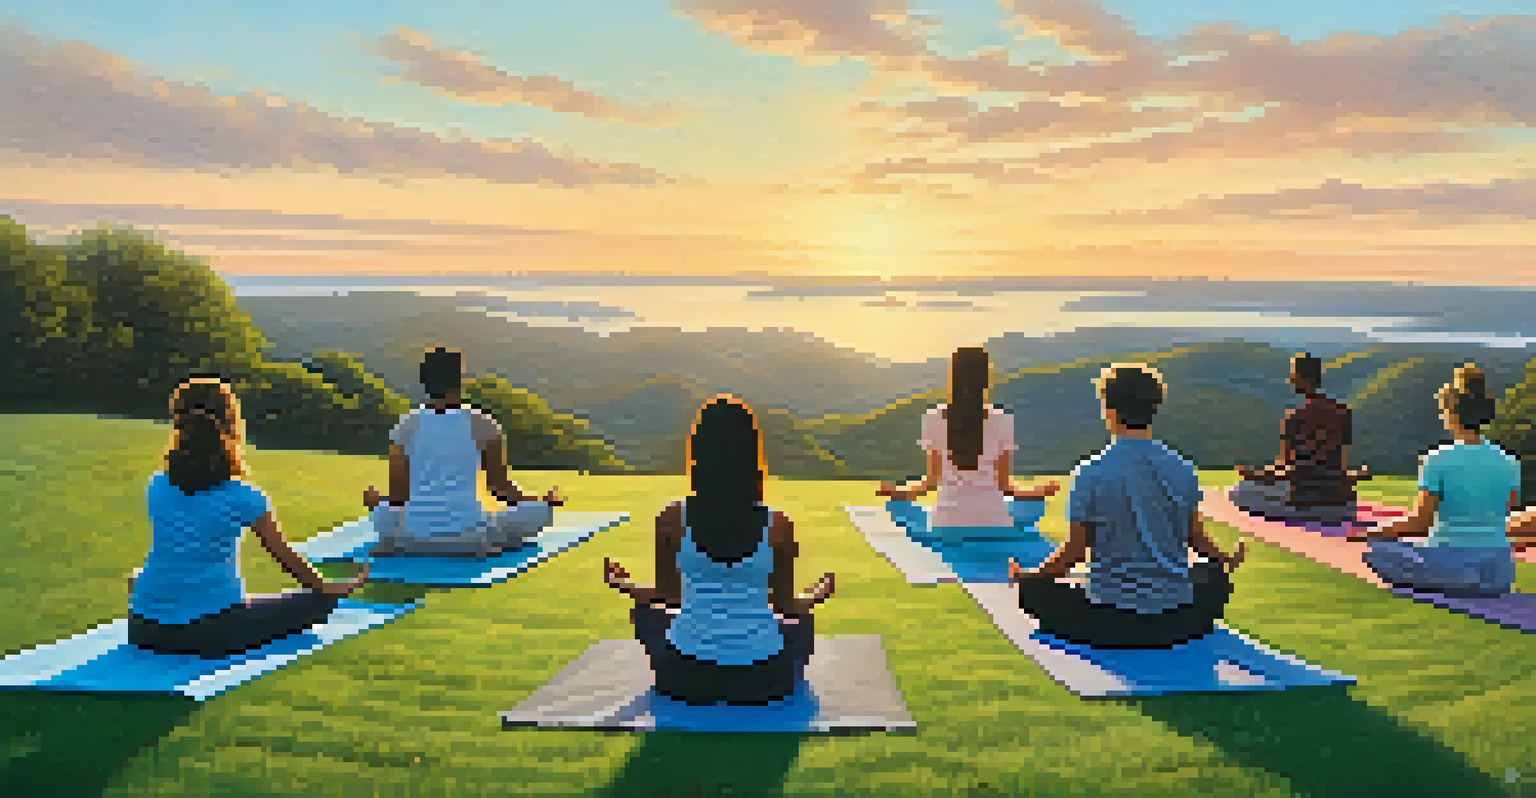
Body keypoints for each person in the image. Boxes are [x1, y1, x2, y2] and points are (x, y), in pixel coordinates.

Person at [604, 395, 836, 705]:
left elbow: (669, 596)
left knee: (645, 611)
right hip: (763, 679)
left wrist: (624, 584)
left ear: (698, 453)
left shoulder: (671, 519)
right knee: (802, 623)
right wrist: (818, 592)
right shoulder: (779, 525)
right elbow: (787, 607)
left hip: (684, 677)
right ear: (752, 455)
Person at [128, 377, 369, 658]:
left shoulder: (157, 484)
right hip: (210, 632)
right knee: (318, 603)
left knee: (142, 578)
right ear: (231, 425)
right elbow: (285, 557)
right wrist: (330, 589)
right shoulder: (243, 495)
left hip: (143, 629)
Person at [1010, 364, 1247, 648]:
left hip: (1109, 618)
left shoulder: (1090, 472)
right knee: (1214, 577)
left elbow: (1073, 554)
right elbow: (1196, 539)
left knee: (1034, 592)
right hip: (1176, 618)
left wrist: (1029, 576)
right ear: (1154, 408)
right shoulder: (1183, 469)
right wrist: (1225, 559)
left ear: (1108, 410)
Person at [364, 346, 563, 557]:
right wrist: (540, 501)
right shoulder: (484, 424)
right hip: (471, 538)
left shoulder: (404, 428)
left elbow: (398, 497)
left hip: (413, 539)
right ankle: (497, 541)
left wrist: (378, 502)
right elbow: (499, 489)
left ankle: (393, 541)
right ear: (460, 380)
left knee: (384, 514)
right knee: (538, 513)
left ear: (425, 382)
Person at [1349, 364, 1524, 596]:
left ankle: (1458, 578)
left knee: (1378, 549)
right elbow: (1507, 515)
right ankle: (1473, 576)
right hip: (1499, 572)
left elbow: (1420, 523)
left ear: (1452, 414)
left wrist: (1370, 532)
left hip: (1448, 562)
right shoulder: (1509, 461)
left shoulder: (1437, 458)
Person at [876, 346, 1059, 547]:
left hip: (945, 526)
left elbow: (930, 483)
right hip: (994, 525)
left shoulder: (934, 418)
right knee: (1028, 510)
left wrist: (897, 493)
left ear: (953, 378)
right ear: (986, 380)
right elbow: (1006, 487)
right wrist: (1040, 492)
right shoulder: (1002, 420)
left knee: (904, 512)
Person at [1233, 353, 1372, 524]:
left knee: (1238, 491)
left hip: (1306, 506)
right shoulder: (1342, 412)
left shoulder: (1294, 417)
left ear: (1301, 378)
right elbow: (1338, 465)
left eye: (1293, 375)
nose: (1290, 380)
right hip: (1345, 506)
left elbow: (1285, 469)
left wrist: (1255, 475)